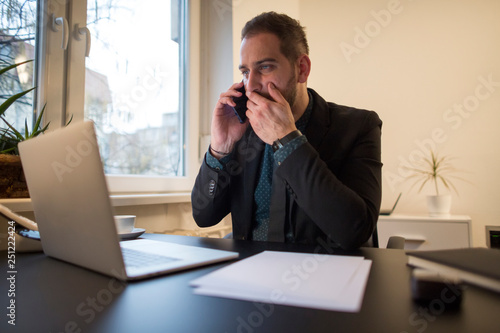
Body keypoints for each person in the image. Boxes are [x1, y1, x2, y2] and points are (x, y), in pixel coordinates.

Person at [191, 12, 382, 250]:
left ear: (302, 69)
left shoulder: (358, 126)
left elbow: (355, 230)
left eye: (265, 67)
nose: (250, 85)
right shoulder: (242, 131)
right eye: (245, 72)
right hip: (247, 275)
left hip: (322, 276)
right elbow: (203, 216)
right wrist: (220, 148)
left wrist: (287, 141)